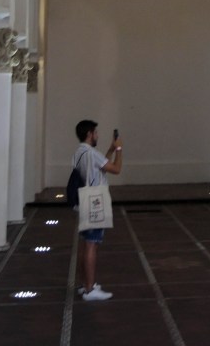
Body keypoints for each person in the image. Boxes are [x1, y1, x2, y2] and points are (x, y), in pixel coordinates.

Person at [73, 120, 122, 301]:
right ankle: (90, 289)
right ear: (89, 134)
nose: (97, 135)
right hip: (96, 199)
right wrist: (119, 149)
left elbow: (100, 168)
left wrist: (110, 149)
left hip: (85, 197)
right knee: (92, 244)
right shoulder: (91, 153)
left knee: (86, 243)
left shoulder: (80, 152)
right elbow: (116, 169)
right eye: (96, 133)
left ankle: (84, 284)